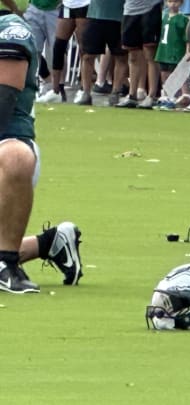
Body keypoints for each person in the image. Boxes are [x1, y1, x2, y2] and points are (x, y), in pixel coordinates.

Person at [0, 11, 84, 293]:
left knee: (16, 156)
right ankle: (50, 243)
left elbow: (2, 106)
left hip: (6, 150)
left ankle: (7, 261)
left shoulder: (10, 30)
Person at [35, 0, 90, 104]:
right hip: (68, 5)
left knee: (84, 49)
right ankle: (56, 90)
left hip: (84, 5)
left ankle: (84, 89)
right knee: (58, 46)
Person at [76, 0, 127, 106]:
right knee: (87, 56)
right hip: (95, 15)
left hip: (118, 17)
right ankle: (86, 92)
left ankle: (115, 92)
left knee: (120, 56)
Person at [116, 0, 162, 109]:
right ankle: (132, 96)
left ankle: (151, 96)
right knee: (133, 55)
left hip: (151, 9)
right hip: (130, 10)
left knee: (150, 54)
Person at [154, 0, 190, 105]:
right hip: (164, 50)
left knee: (179, 73)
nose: (173, 4)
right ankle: (166, 94)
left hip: (176, 50)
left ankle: (185, 94)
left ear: (181, 3)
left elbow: (187, 37)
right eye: (170, 1)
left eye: (176, 1)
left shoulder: (183, 19)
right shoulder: (163, 17)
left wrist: (188, 50)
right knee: (164, 72)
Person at [23, 0, 61, 98]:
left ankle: (57, 87)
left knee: (56, 50)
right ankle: (33, 86)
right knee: (33, 50)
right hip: (34, 7)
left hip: (56, 9)